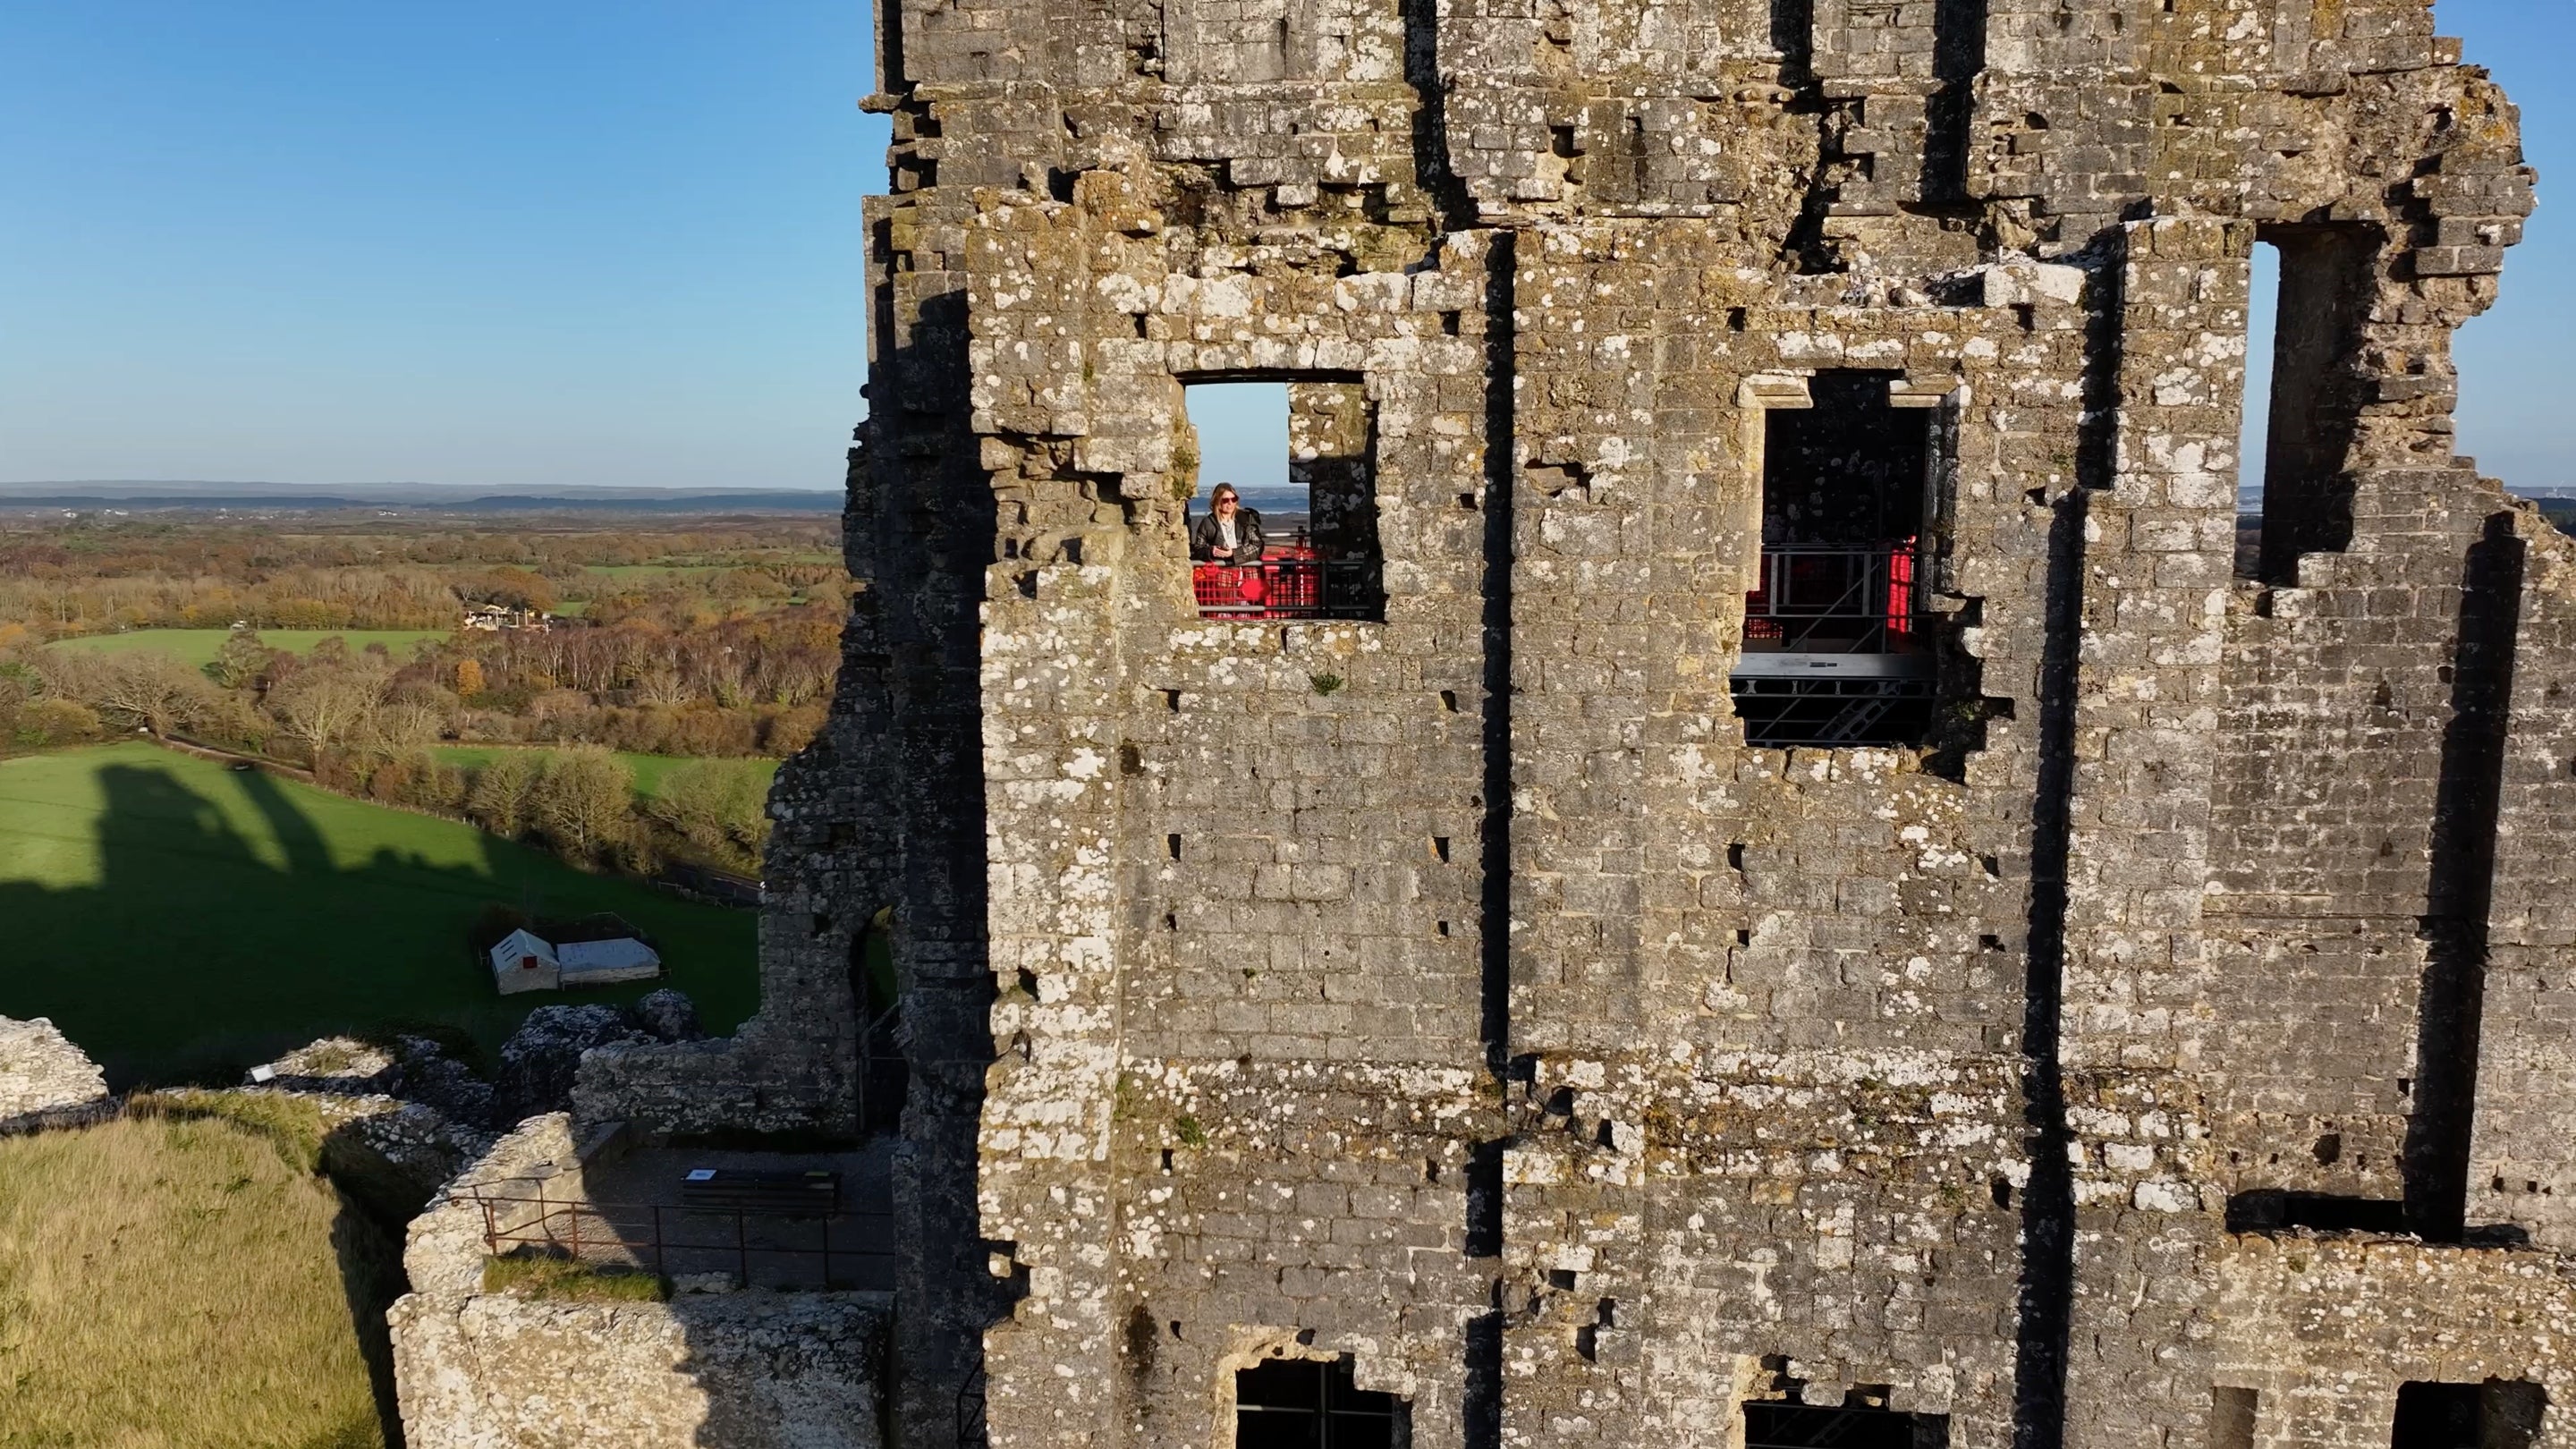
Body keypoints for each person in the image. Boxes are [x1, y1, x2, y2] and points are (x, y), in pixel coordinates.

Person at [1189, 483, 1266, 565]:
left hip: (1246, 573)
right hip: (1221, 575)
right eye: (1225, 500)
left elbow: (1257, 546)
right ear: (1217, 501)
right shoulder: (1208, 523)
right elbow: (1198, 550)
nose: (1230, 503)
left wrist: (1234, 553)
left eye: (1234, 499)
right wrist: (1211, 551)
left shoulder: (1246, 520)